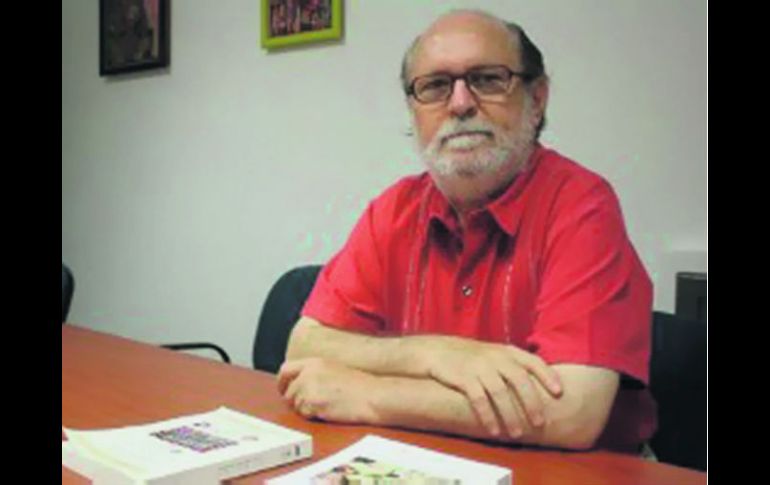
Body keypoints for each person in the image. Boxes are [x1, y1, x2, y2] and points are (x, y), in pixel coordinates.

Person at [277, 9, 656, 453]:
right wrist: (434, 355)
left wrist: (371, 395)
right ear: (413, 110)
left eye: (488, 79)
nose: (459, 103)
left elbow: (571, 413)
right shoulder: (394, 209)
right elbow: (305, 346)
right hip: (430, 455)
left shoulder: (581, 204)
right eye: (435, 86)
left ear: (537, 99)